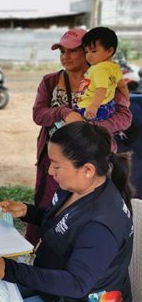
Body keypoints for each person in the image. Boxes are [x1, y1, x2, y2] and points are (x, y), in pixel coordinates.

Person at [0, 122, 134, 301]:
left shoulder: (100, 225)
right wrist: (27, 211)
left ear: (87, 170)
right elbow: (64, 222)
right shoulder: (75, 188)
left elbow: (76, 284)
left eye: (56, 165)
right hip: (51, 283)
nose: (50, 171)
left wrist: (10, 269)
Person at [28, 28, 132, 245]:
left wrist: (91, 126)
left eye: (72, 51)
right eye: (62, 51)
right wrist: (64, 112)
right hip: (55, 160)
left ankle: (78, 256)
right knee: (48, 205)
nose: (65, 56)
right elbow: (38, 114)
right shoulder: (50, 81)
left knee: (86, 212)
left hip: (92, 160)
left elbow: (125, 116)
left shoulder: (107, 80)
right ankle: (37, 252)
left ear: (87, 52)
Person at [76, 26, 130, 121]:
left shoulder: (99, 68)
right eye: (86, 52)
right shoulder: (115, 67)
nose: (88, 56)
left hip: (91, 109)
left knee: (65, 121)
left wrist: (94, 106)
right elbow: (122, 86)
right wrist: (127, 100)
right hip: (108, 107)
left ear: (109, 51)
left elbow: (101, 89)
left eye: (93, 51)